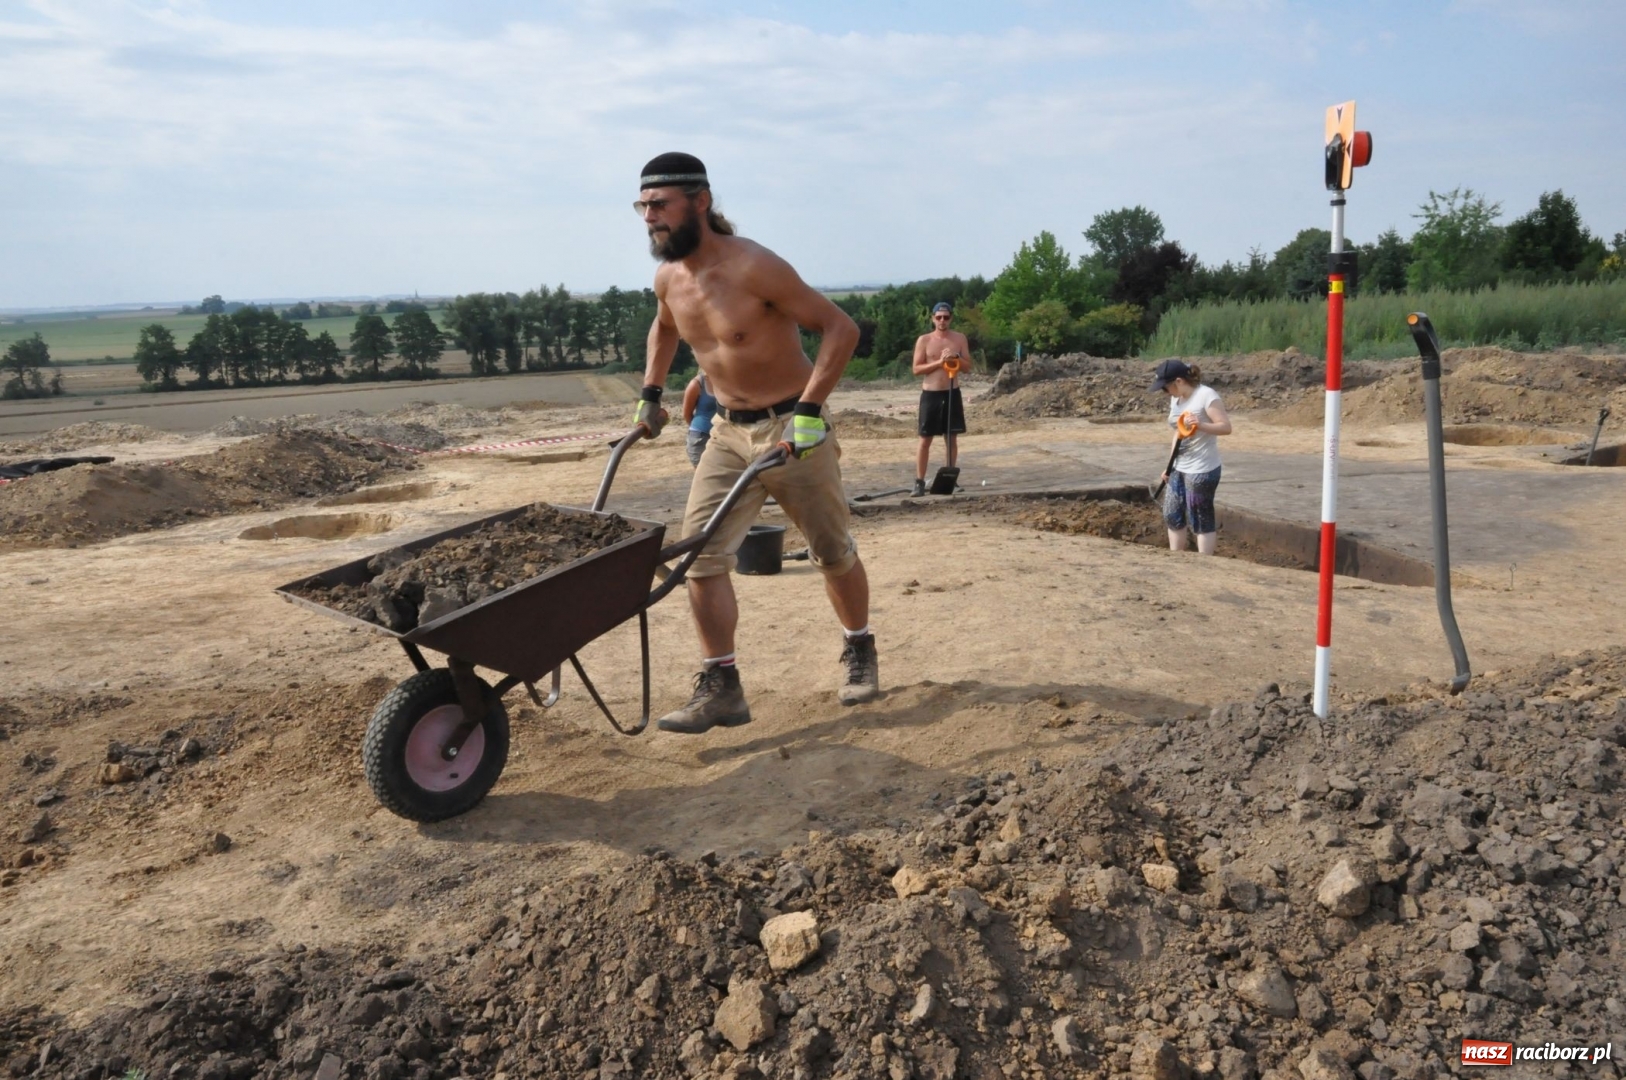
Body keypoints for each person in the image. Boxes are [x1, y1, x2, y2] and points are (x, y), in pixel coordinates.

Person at [630, 152, 879, 733]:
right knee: (699, 558)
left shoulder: (754, 267)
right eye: (642, 207)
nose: (649, 217)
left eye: (660, 205)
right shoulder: (669, 279)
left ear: (700, 202)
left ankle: (859, 646)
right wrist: (650, 394)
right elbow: (664, 327)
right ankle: (722, 686)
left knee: (831, 552)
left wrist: (810, 411)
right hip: (725, 431)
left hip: (791, 427)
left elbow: (840, 328)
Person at [1151, 358, 1232, 555]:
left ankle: (1204, 563)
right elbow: (1178, 432)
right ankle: (1176, 559)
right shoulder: (1176, 399)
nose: (1165, 392)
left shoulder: (1206, 396)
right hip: (1179, 466)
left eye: (1165, 387)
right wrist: (1169, 465)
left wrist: (1200, 425)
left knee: (1200, 517)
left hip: (1202, 468)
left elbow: (1225, 427)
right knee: (1172, 514)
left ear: (1179, 381)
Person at [910, 301, 969, 496]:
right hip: (931, 394)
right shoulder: (924, 340)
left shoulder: (959, 338)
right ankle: (919, 482)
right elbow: (916, 369)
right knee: (925, 439)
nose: (942, 320)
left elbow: (968, 367)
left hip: (952, 391)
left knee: (951, 438)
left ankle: (950, 478)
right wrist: (940, 362)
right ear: (933, 318)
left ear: (951, 318)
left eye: (946, 317)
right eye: (939, 317)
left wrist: (956, 357)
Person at [682, 370, 718, 467]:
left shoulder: (724, 380)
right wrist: (701, 429)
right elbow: (686, 414)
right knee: (703, 473)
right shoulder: (696, 384)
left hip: (722, 437)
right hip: (701, 437)